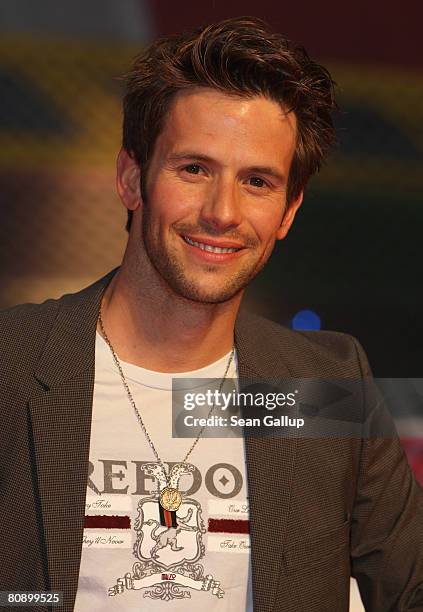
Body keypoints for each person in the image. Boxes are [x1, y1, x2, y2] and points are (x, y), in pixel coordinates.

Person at [0, 16, 422, 612]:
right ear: (131, 178)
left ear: (288, 210)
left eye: (257, 181)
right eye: (194, 169)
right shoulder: (13, 363)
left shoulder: (321, 387)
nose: (222, 212)